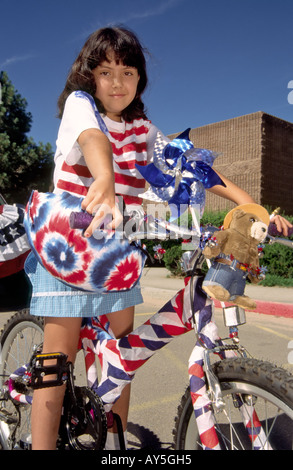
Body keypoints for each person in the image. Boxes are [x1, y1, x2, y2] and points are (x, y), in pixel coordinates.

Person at [25, 26, 292, 451]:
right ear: (88, 76)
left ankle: (114, 447)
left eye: (128, 72)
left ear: (139, 80)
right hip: (68, 250)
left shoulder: (143, 129)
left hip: (116, 256)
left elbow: (193, 168)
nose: (117, 82)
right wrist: (107, 178)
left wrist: (252, 208)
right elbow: (93, 140)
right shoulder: (81, 107)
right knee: (58, 363)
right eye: (106, 72)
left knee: (122, 361)